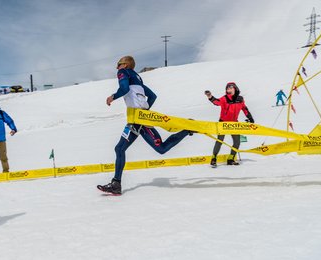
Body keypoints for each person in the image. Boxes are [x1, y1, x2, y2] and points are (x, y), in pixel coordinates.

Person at [97, 56, 192, 195]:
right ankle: (116, 184)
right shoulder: (137, 79)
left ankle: (186, 130)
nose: (116, 68)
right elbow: (152, 96)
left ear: (125, 64)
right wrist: (145, 112)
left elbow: (123, 89)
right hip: (137, 120)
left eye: (118, 64)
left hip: (139, 120)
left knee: (160, 149)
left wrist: (112, 96)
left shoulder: (124, 72)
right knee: (120, 149)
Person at [205, 82, 254, 167]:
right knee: (220, 141)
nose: (229, 89)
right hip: (223, 123)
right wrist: (210, 97)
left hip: (234, 123)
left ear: (235, 88)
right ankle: (214, 158)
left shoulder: (240, 99)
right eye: (227, 88)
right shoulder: (224, 98)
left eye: (230, 88)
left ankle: (231, 159)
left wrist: (250, 118)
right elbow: (217, 102)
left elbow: (244, 108)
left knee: (237, 142)